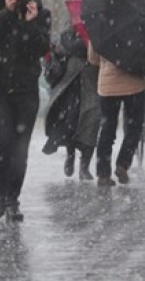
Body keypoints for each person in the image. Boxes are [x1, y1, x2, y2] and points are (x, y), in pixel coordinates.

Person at [0, 0, 51, 222]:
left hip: (26, 93)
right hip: (0, 90)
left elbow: (42, 49)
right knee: (3, 142)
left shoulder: (40, 16)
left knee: (20, 149)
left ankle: (13, 199)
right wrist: (6, 14)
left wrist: (29, 24)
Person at [42, 26, 100, 181]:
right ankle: (70, 154)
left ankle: (84, 166)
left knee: (92, 123)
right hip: (71, 86)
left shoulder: (101, 31)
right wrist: (85, 44)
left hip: (93, 86)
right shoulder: (68, 32)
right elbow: (64, 47)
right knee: (70, 122)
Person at [87, 37, 145, 187]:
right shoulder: (139, 24)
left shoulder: (99, 25)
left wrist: (107, 64)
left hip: (108, 86)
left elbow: (92, 59)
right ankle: (123, 164)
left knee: (107, 129)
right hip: (134, 83)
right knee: (134, 127)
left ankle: (103, 174)